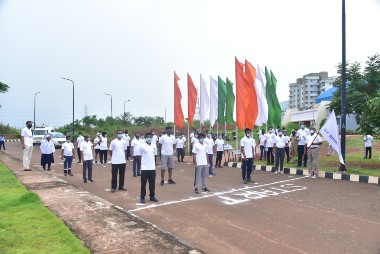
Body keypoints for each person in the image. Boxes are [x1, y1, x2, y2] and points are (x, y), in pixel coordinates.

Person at [139, 132, 158, 203]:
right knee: (143, 184)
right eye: (148, 136)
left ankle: (152, 196)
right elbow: (139, 156)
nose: (149, 138)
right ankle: (142, 197)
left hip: (152, 168)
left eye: (150, 136)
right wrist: (142, 164)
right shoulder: (142, 146)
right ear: (145, 137)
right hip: (144, 168)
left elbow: (154, 155)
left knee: (152, 183)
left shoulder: (153, 146)